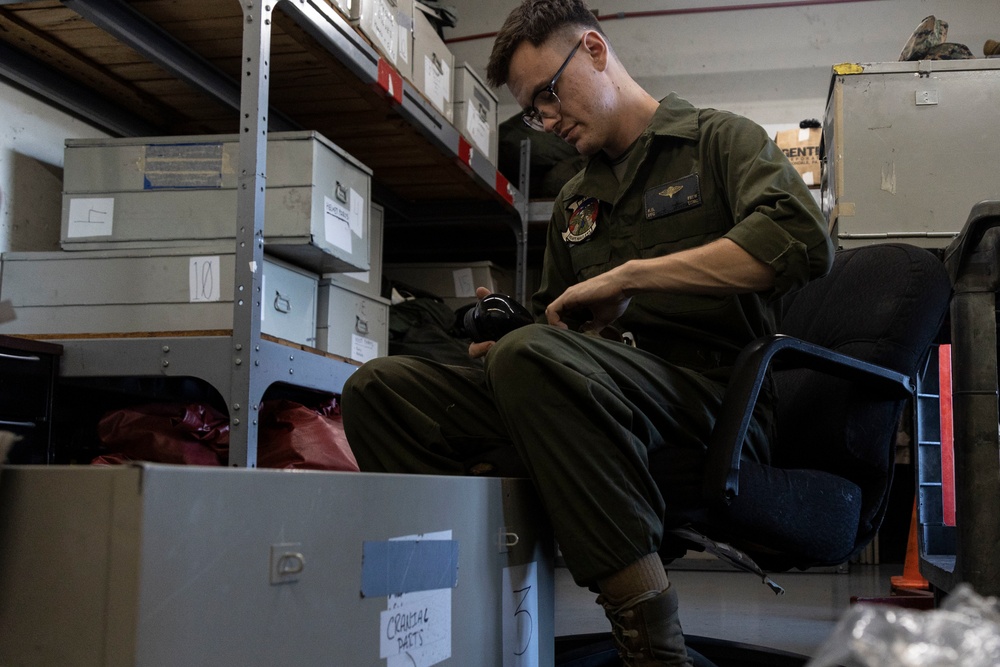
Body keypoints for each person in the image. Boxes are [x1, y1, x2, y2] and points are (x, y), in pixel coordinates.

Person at [342, 1, 834, 664]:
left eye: (548, 94)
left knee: (533, 359)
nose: (546, 119)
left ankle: (654, 646)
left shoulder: (719, 141)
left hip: (712, 399)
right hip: (591, 393)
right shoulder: (579, 199)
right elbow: (553, 321)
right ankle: (448, 620)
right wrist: (510, 332)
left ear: (596, 52)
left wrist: (631, 276)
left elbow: (803, 242)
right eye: (534, 110)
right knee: (381, 388)